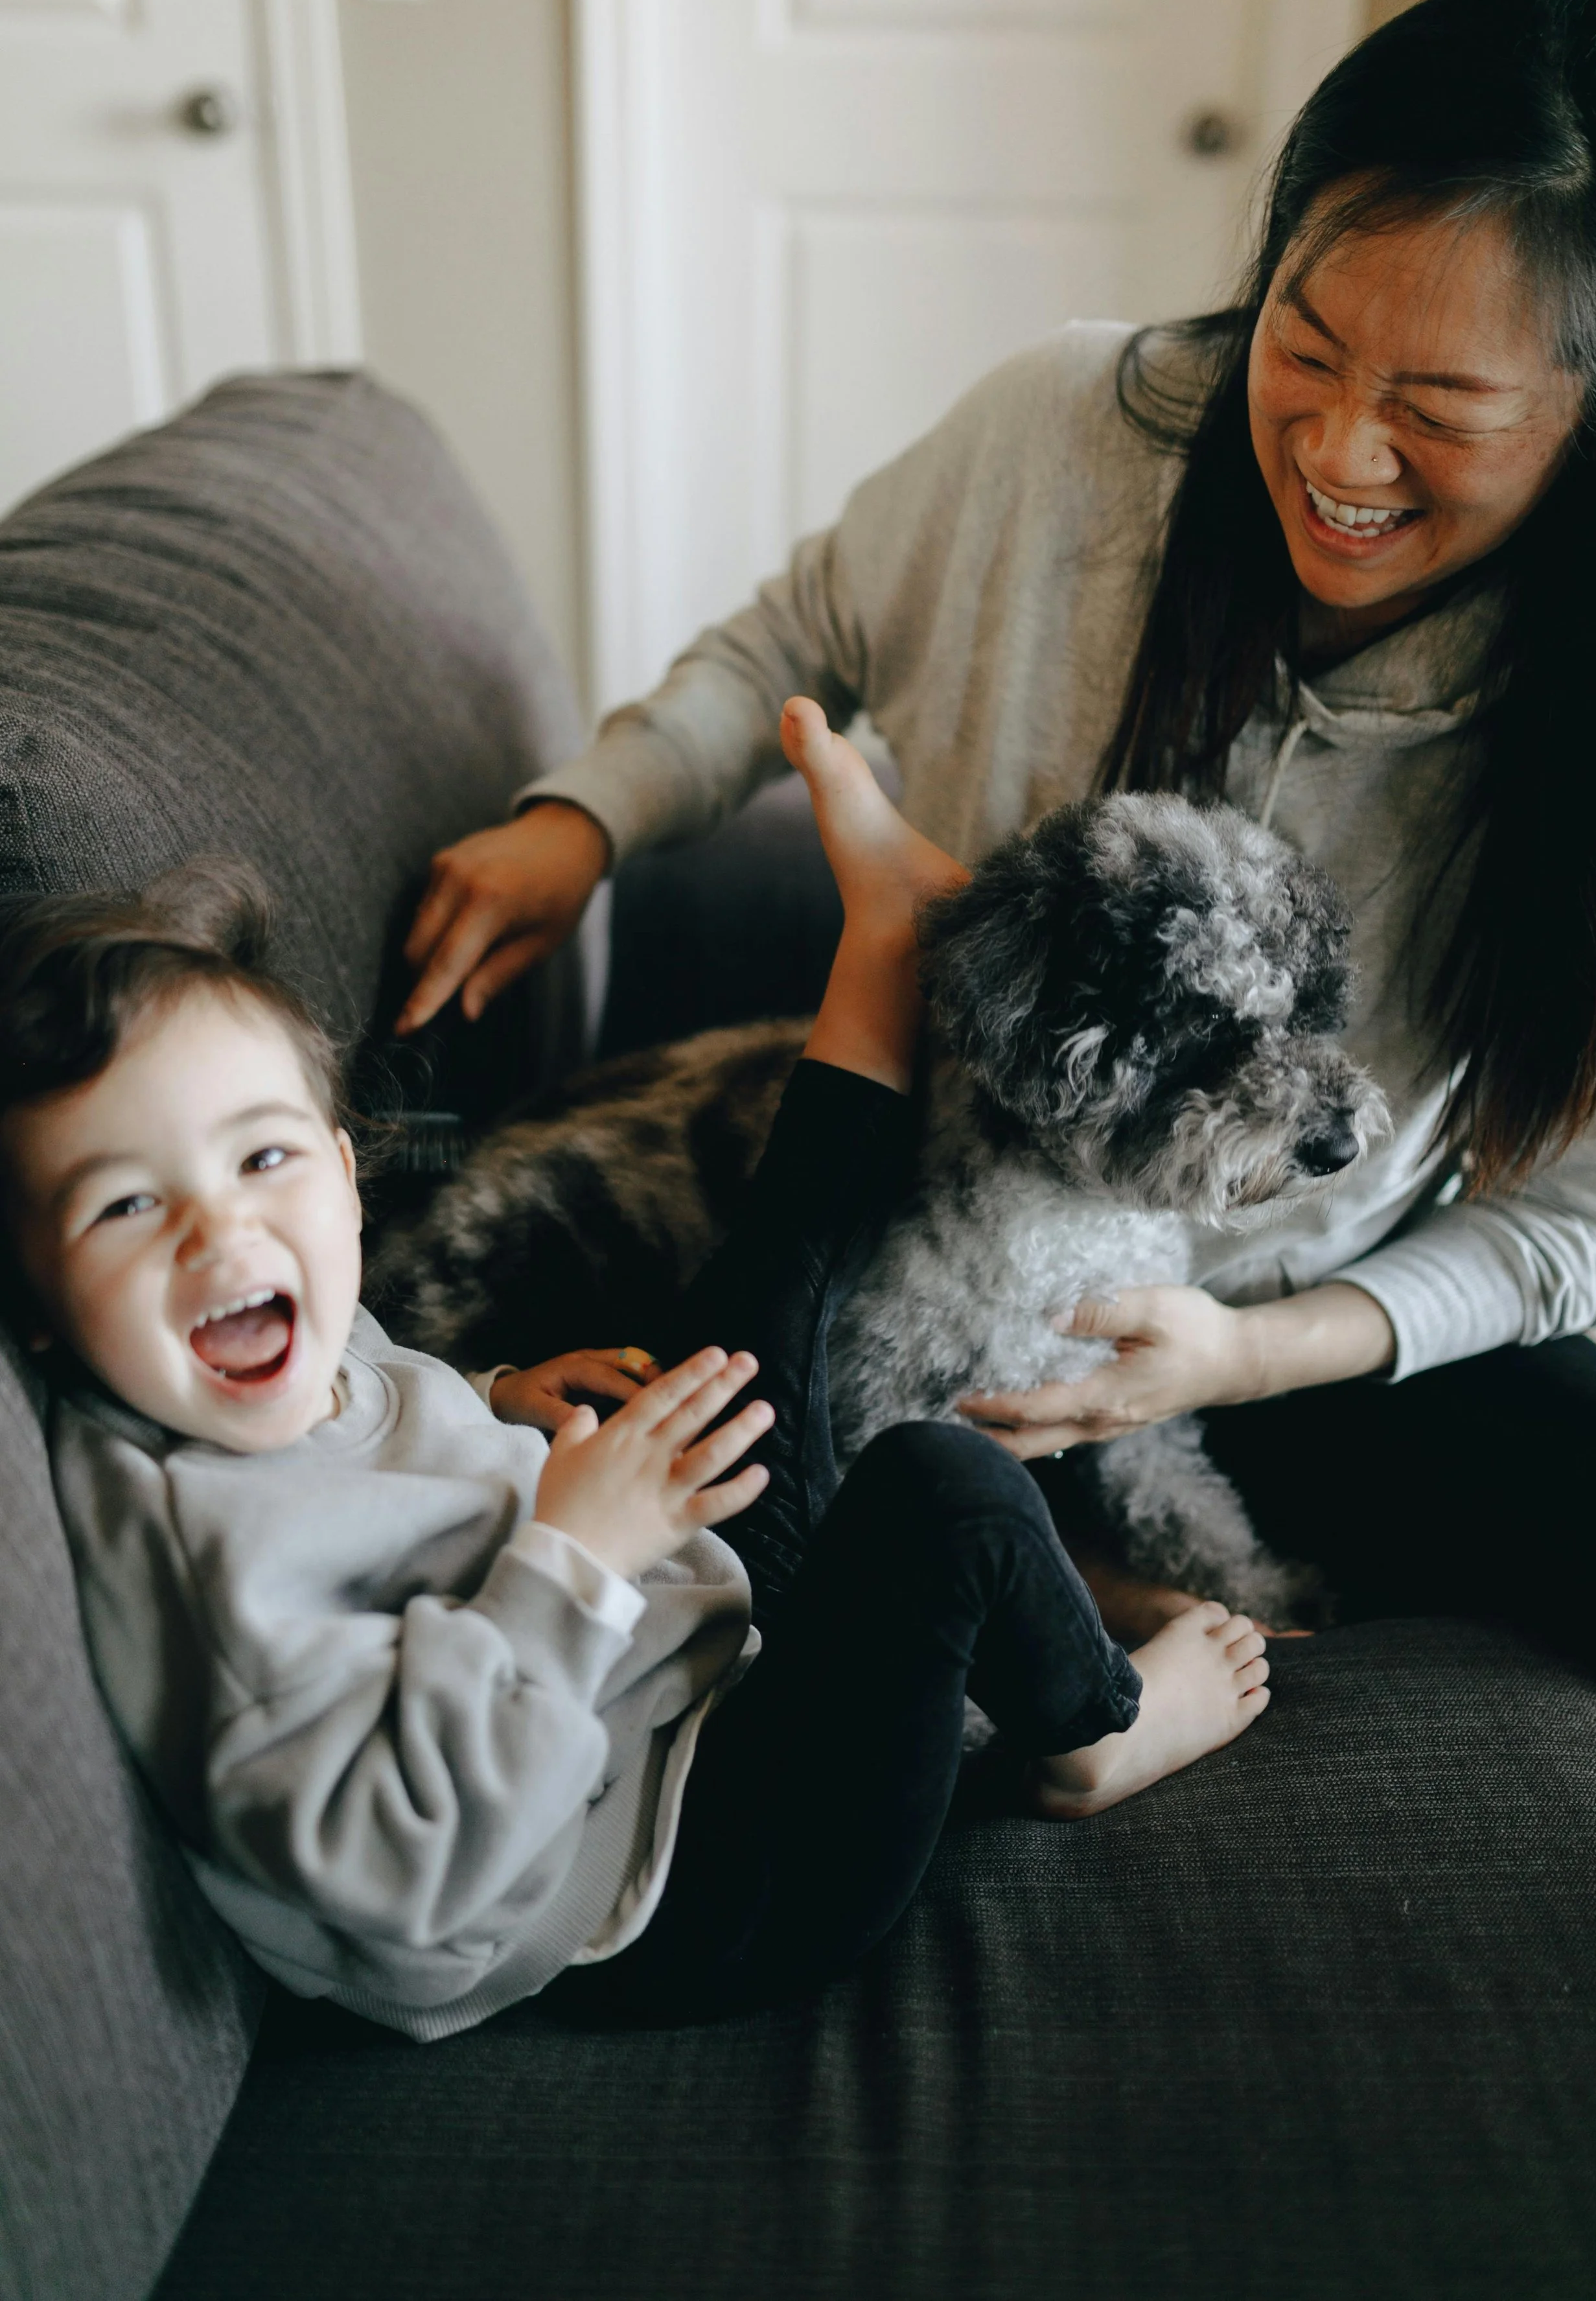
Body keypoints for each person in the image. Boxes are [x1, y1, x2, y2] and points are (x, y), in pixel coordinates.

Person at [396, 0, 1596, 1681]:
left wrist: (1235, 1358)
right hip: (947, 1240)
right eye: (1304, 341)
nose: (1338, 445)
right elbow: (798, 629)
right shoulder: (1070, 432)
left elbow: (1582, 1225)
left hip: (1303, 1324)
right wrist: (587, 817)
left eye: (1440, 411)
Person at [0, 701, 1269, 2040]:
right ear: (31, 1304)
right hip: (693, 1881)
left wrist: (491, 1399)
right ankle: (1094, 1735)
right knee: (941, 1492)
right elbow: (405, 1868)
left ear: (344, 1166)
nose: (221, 1230)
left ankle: (883, 943)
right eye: (124, 1208)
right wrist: (573, 1555)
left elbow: (354, 1403)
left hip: (678, 1670)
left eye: (264, 1159)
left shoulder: (234, 1347)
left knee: (753, 1314)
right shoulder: (208, 1563)